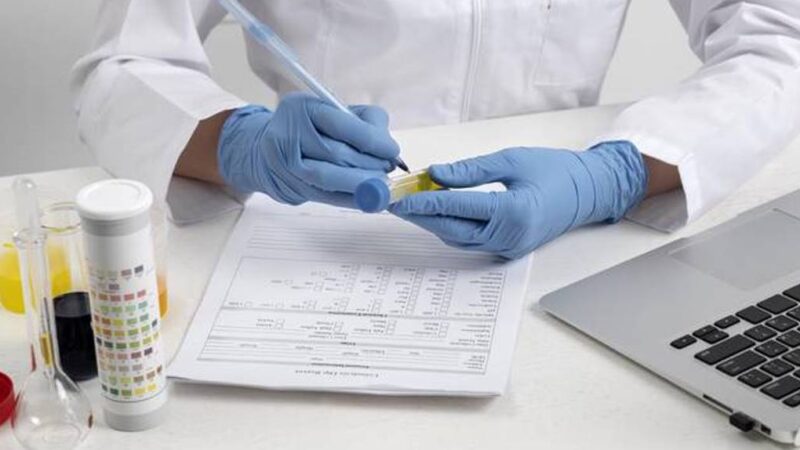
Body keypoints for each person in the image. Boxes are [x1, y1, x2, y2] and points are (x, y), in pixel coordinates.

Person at [71, 1, 800, 259]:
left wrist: (619, 173)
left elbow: (779, 38)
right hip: (316, 239)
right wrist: (241, 144)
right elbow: (122, 65)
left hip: (577, 240)